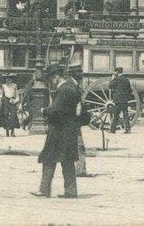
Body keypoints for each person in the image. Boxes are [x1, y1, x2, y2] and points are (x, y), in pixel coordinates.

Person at [33, 66, 84, 198]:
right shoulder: (72, 88)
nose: (51, 82)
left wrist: (44, 111)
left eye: (51, 79)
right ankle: (71, 191)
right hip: (69, 130)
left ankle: (44, 190)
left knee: (48, 159)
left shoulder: (63, 90)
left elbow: (55, 111)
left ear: (56, 77)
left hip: (58, 131)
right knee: (67, 161)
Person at [108, 66, 134, 133]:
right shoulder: (126, 79)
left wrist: (112, 79)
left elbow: (110, 86)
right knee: (125, 115)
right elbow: (130, 90)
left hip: (117, 100)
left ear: (117, 72)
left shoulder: (116, 79)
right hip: (124, 100)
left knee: (116, 115)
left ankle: (112, 130)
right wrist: (127, 97)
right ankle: (128, 129)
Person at [0, 73, 21, 137]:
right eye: (7, 79)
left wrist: (15, 101)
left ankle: (12, 130)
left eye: (9, 79)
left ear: (12, 79)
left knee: (13, 115)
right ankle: (7, 130)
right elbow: (1, 95)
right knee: (5, 114)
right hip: (6, 101)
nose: (8, 80)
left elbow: (16, 94)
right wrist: (1, 102)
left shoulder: (14, 85)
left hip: (12, 100)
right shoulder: (3, 86)